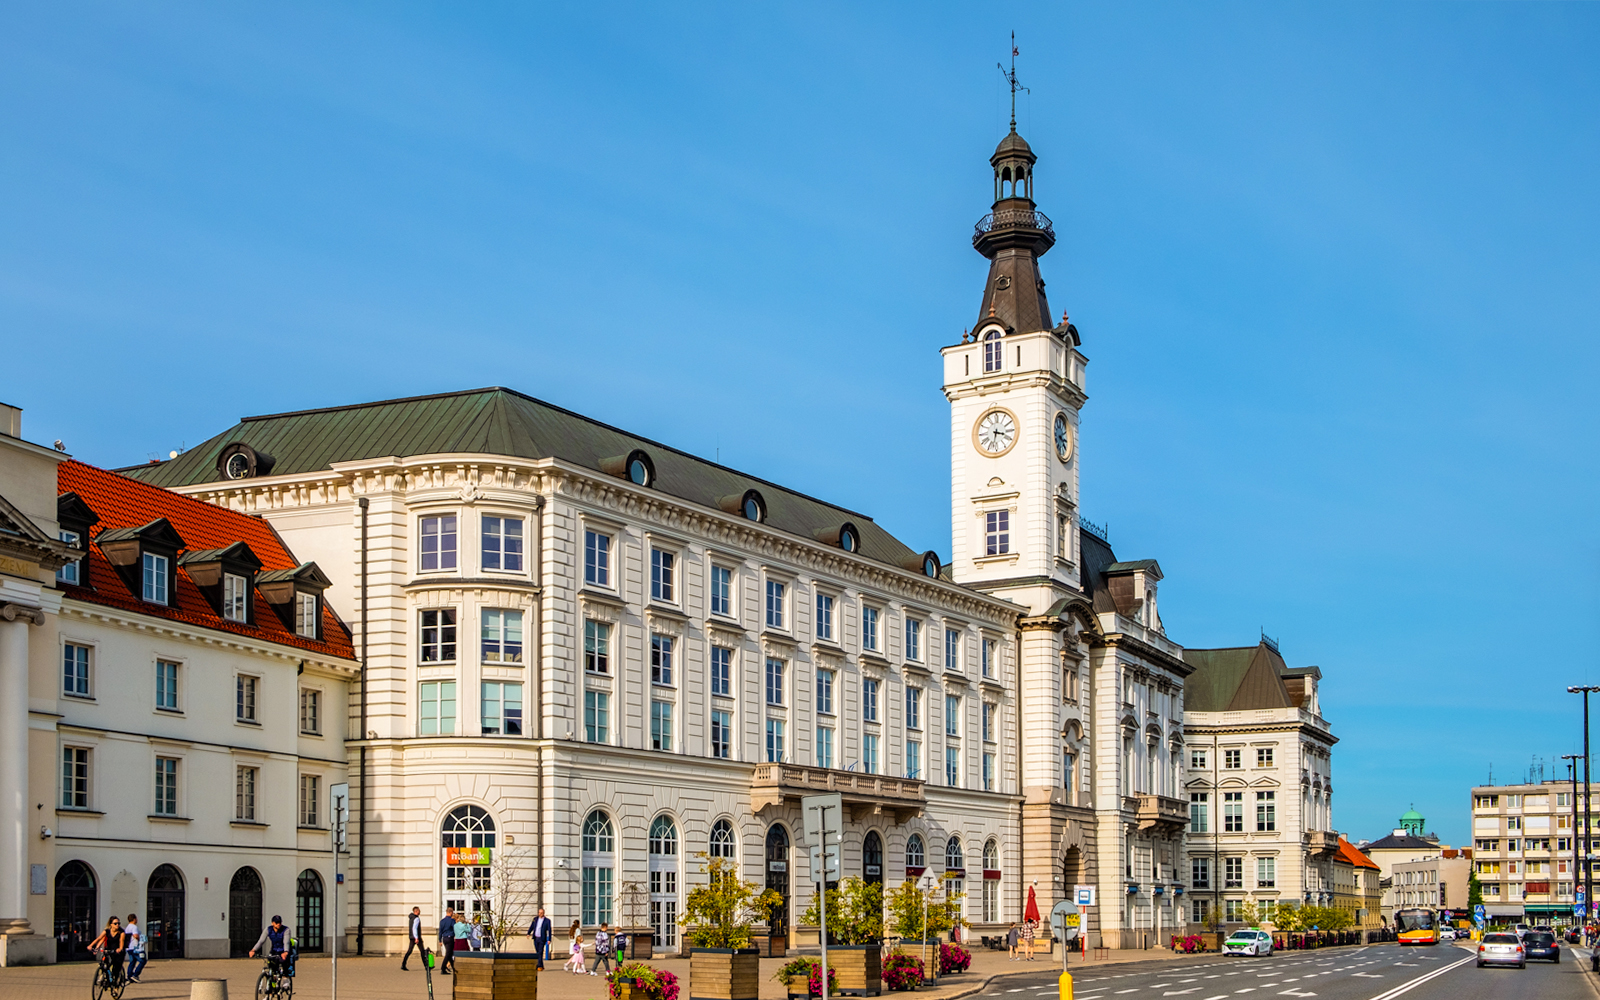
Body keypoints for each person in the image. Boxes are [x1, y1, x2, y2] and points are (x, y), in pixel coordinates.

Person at [249, 915, 294, 979]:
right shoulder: (268, 929)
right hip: (274, 950)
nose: (278, 924)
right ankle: (273, 981)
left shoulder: (286, 930)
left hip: (283, 951)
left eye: (280, 922)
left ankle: (285, 980)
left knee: (284, 963)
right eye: (276, 922)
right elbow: (261, 941)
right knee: (271, 964)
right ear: (272, 923)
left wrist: (286, 952)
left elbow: (286, 942)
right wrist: (253, 950)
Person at [88, 916, 127, 985]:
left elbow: (121, 941)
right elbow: (99, 939)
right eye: (115, 923)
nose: (117, 925)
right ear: (111, 924)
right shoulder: (107, 931)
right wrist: (91, 945)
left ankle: (116, 985)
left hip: (118, 952)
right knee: (105, 962)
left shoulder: (121, 932)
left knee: (116, 968)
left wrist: (120, 948)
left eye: (118, 923)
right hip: (109, 950)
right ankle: (104, 975)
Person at [402, 906, 426, 971]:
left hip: (411, 936)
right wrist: (416, 937)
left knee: (409, 951)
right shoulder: (416, 918)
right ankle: (426, 966)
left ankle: (403, 964)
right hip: (416, 937)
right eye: (419, 910)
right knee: (422, 951)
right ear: (416, 911)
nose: (420, 912)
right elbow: (414, 928)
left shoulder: (411, 918)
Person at [125, 913, 147, 983]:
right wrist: (140, 939)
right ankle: (135, 975)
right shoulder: (134, 927)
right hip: (136, 948)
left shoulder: (127, 927)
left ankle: (129, 976)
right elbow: (135, 935)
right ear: (134, 919)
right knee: (143, 960)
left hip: (129, 947)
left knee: (132, 962)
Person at [437, 906, 457, 975]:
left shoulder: (442, 921)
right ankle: (443, 968)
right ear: (451, 912)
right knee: (448, 954)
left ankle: (454, 968)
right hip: (450, 938)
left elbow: (440, 931)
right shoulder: (452, 921)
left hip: (444, 938)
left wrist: (439, 940)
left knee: (450, 953)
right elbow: (455, 929)